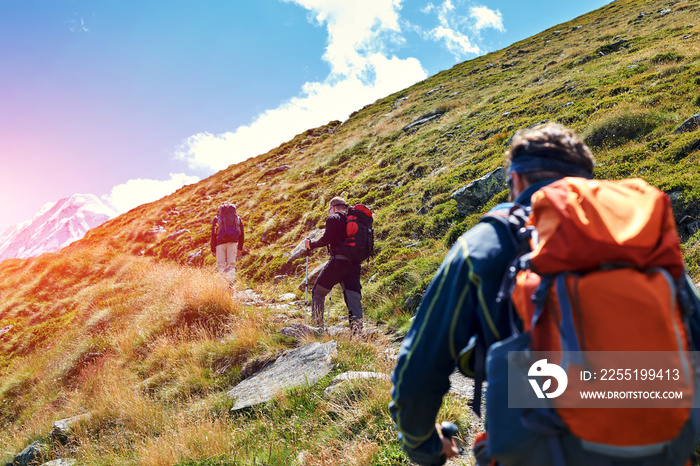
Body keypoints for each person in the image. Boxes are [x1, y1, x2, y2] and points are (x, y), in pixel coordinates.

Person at [389, 123, 597, 465]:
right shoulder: (640, 234)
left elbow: (416, 373)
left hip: (542, 447)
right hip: (656, 443)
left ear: (515, 179)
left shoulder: (485, 244)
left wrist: (424, 447)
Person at [305, 196, 364, 337]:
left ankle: (317, 329)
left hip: (338, 263)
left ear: (332, 208)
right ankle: (358, 335)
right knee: (353, 299)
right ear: (344, 207)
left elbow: (327, 239)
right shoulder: (355, 219)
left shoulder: (333, 218)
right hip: (354, 265)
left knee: (318, 292)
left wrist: (311, 244)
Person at [210, 203, 245, 288]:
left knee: (222, 265)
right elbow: (242, 234)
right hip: (233, 243)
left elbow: (213, 235)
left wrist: (213, 249)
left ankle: (223, 286)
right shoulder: (237, 218)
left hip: (220, 244)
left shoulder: (216, 219)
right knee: (231, 265)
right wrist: (239, 247)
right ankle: (230, 285)